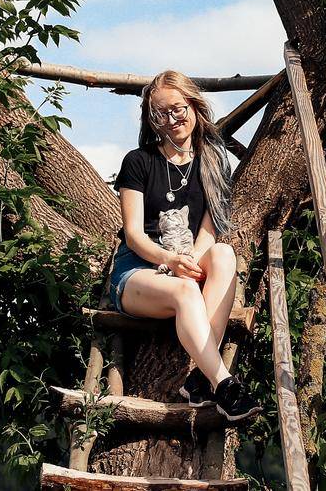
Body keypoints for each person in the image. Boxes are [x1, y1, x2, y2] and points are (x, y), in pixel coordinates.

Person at [108, 70, 262, 423]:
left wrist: (190, 257)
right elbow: (133, 234)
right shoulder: (138, 161)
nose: (172, 119)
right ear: (152, 120)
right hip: (138, 273)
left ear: (193, 105)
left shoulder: (212, 160)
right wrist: (171, 260)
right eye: (161, 113)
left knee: (223, 254)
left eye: (177, 108)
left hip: (184, 264)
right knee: (184, 291)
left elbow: (209, 226)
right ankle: (223, 384)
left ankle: (198, 380)